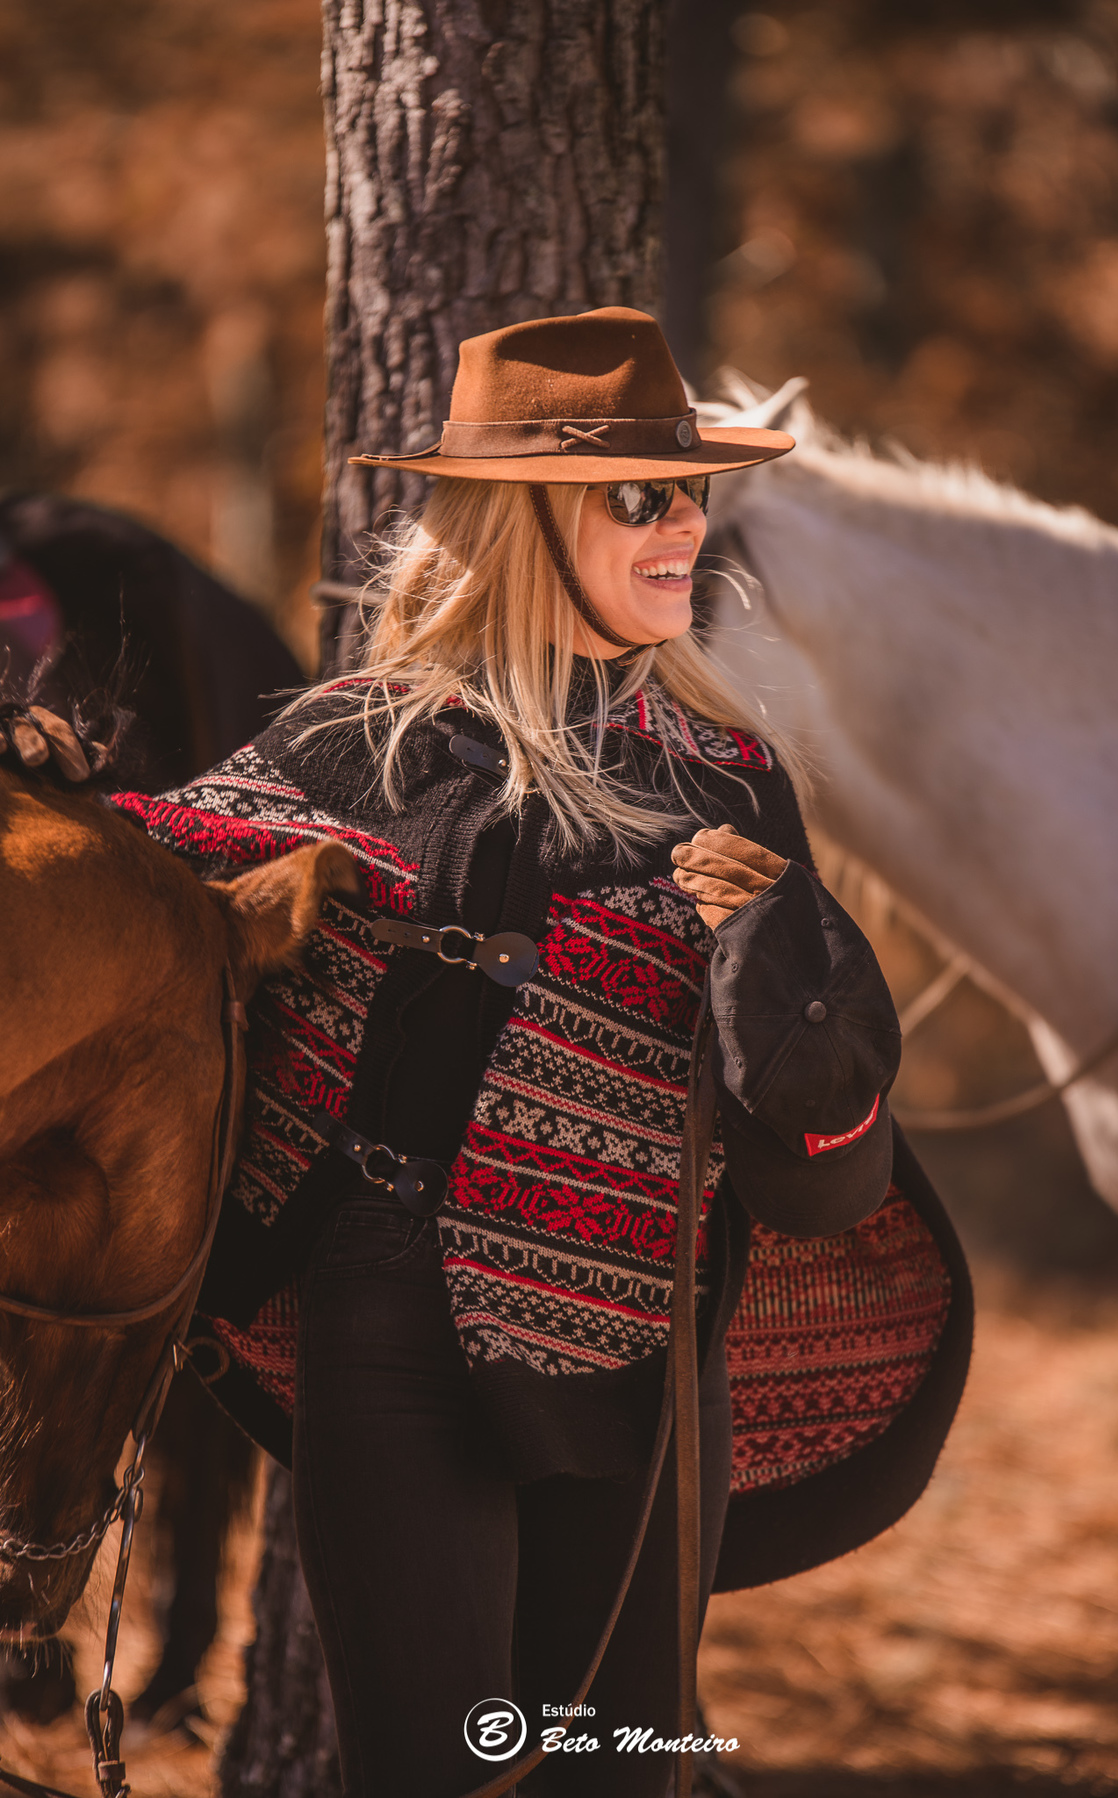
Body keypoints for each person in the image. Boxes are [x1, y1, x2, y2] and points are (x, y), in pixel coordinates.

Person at [6, 308, 971, 1798]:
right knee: (433, 1775)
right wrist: (48, 787)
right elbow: (143, 884)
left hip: (652, 1368)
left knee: (612, 1772)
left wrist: (780, 954)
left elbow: (815, 1141)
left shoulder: (733, 779)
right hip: (386, 1346)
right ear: (522, 525)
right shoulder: (351, 743)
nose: (684, 525)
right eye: (639, 496)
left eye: (692, 491)